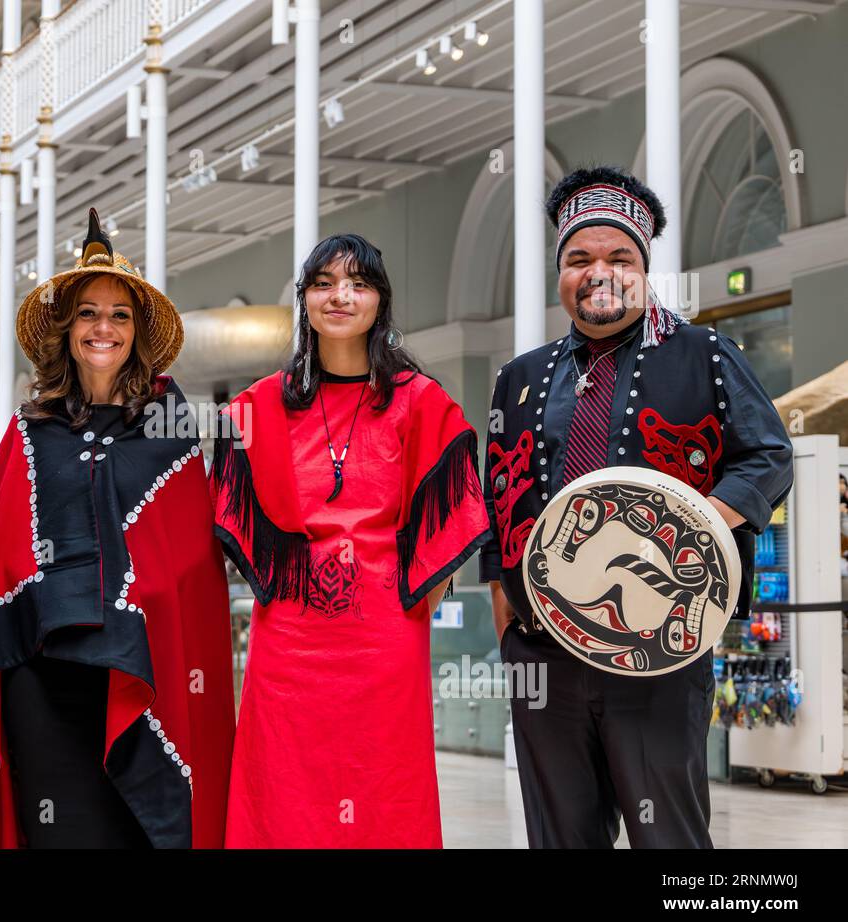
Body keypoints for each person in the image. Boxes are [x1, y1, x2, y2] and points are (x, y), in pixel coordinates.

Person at [482, 166, 794, 848]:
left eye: (620, 258)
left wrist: (694, 523)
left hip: (662, 651)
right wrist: (509, 629)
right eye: (579, 259)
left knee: (669, 838)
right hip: (544, 655)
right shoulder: (520, 378)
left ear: (645, 269)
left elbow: (768, 456)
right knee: (560, 837)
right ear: (560, 273)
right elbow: (496, 504)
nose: (600, 273)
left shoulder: (703, 354)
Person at [0, 209, 234, 849]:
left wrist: (136, 600)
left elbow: (187, 557)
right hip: (40, 672)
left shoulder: (169, 427)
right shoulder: (29, 428)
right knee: (55, 829)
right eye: (88, 314)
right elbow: (0, 555)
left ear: (137, 332)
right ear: (67, 329)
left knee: (130, 831)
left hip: (137, 666)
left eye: (120, 315)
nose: (104, 328)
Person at [210, 234, 491, 848]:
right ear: (305, 301)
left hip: (384, 641)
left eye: (358, 284)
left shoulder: (419, 402)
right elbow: (230, 515)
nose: (340, 296)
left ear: (379, 302)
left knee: (384, 785)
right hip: (288, 643)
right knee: (283, 787)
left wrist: (407, 605)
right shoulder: (262, 405)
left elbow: (453, 515)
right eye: (324, 284)